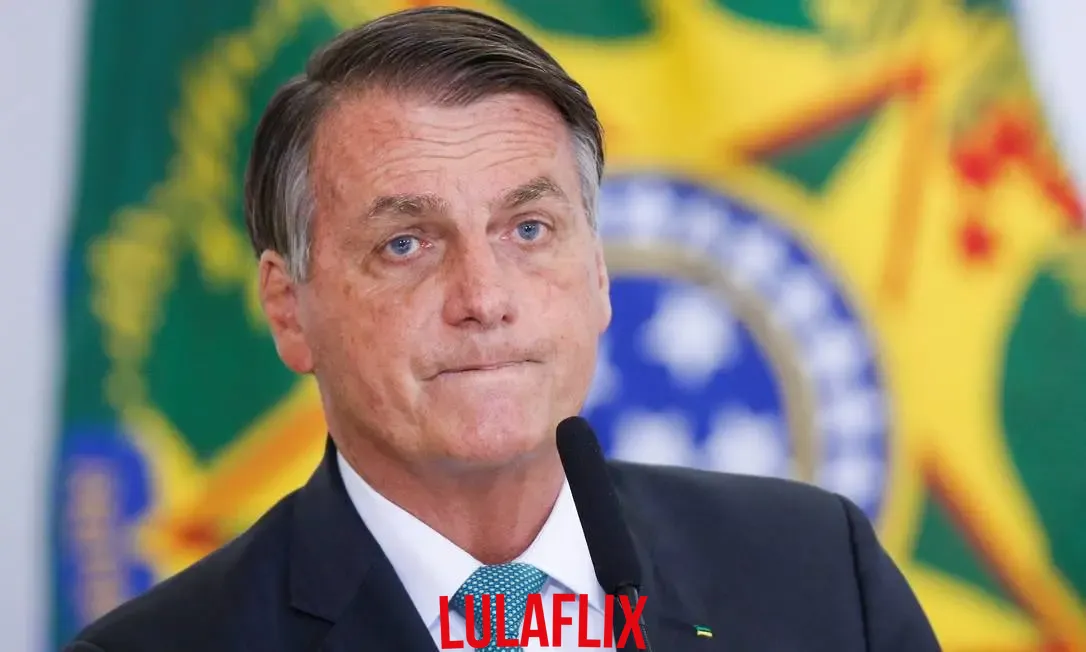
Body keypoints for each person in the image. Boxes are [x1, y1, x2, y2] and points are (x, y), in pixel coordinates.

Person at [65, 6, 941, 652]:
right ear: (288, 308)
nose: (484, 297)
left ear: (598, 274)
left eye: (528, 229)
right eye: (405, 243)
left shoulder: (820, 576)